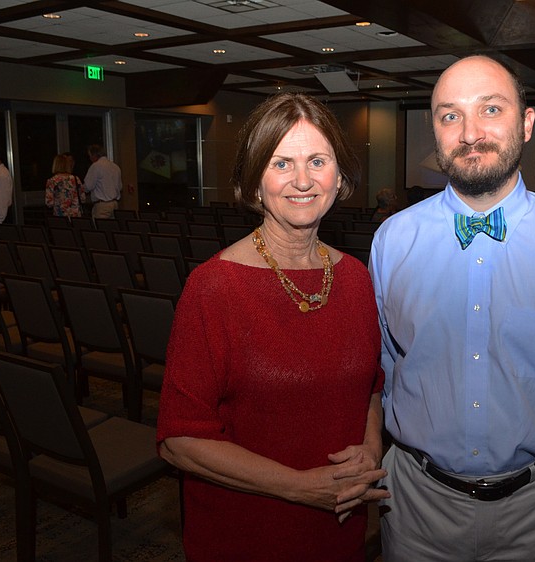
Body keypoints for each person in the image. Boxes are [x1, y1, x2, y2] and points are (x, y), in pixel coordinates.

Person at [370, 55, 535, 561]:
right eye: (450, 115)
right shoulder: (391, 241)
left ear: (527, 123)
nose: (469, 132)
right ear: (435, 130)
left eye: (491, 109)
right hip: (416, 504)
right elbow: (387, 364)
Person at [157, 93, 388, 562]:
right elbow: (178, 440)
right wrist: (301, 488)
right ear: (254, 181)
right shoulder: (214, 287)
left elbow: (371, 389)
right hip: (247, 532)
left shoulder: (356, 278)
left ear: (339, 176)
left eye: (317, 161)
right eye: (282, 163)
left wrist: (371, 447)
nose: (302, 180)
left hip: (339, 526)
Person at [83, 144, 121, 219]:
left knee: (100, 228)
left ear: (94, 155)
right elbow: (120, 187)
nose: (90, 158)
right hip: (114, 204)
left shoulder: (96, 166)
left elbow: (88, 186)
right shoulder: (115, 166)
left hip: (102, 205)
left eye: (90, 156)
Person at [45, 153, 86, 217]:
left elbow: (49, 203)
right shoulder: (75, 179)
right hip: (75, 216)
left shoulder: (52, 181)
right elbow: (83, 198)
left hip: (60, 216)